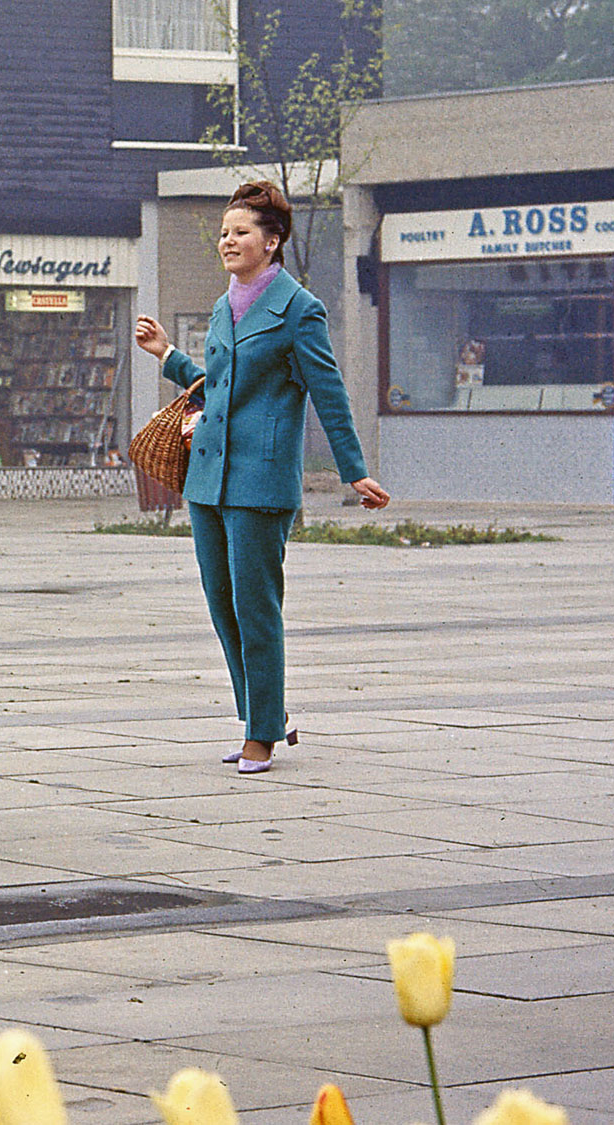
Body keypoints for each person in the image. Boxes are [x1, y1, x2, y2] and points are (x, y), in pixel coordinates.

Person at [133, 181, 391, 775]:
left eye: (241, 232)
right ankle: (259, 717)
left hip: (261, 480)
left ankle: (262, 736)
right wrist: (168, 355)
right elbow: (219, 386)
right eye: (224, 232)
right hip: (209, 479)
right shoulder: (225, 305)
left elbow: (329, 394)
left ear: (272, 242)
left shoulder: (300, 309)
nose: (228, 240)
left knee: (256, 607)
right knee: (222, 606)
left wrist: (355, 472)